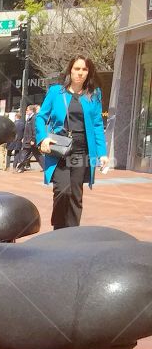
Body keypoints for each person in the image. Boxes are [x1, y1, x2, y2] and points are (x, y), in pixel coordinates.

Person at [35, 56, 109, 228]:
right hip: (60, 148)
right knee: (62, 190)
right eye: (77, 69)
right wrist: (43, 137)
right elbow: (41, 117)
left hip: (82, 150)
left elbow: (98, 124)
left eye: (84, 69)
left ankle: (73, 234)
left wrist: (102, 153)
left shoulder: (94, 94)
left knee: (76, 194)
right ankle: (59, 228)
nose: (80, 73)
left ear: (88, 72)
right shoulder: (56, 92)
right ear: (70, 70)